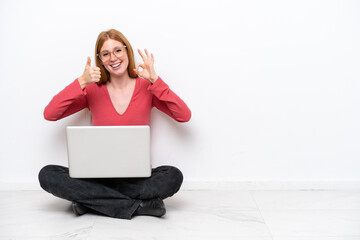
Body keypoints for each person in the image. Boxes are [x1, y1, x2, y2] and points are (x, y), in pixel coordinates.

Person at [38, 29, 191, 219]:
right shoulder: (93, 90)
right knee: (47, 174)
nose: (113, 58)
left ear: (127, 52)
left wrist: (155, 80)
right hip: (97, 176)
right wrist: (81, 82)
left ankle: (90, 202)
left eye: (118, 50)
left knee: (173, 175)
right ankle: (139, 206)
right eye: (105, 54)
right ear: (100, 59)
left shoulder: (147, 88)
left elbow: (184, 115)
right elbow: (50, 114)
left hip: (136, 178)